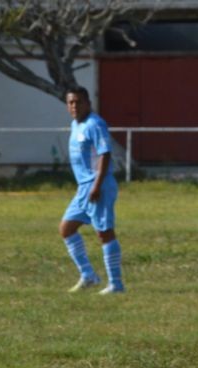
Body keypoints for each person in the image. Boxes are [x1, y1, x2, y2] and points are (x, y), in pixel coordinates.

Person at [60, 86, 124, 294]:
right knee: (66, 228)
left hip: (99, 185)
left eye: (78, 102)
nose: (74, 106)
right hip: (83, 188)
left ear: (88, 103)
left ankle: (116, 284)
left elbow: (105, 154)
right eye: (71, 102)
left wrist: (96, 186)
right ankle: (88, 275)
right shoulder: (76, 125)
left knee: (104, 233)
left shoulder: (95, 124)